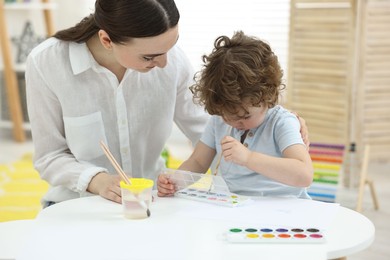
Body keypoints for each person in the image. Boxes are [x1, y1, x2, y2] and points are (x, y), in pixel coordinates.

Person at [26, 0, 309, 207]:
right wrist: (97, 181)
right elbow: (49, 157)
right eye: (149, 57)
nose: (163, 63)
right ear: (107, 40)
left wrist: (275, 123)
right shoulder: (47, 64)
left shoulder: (171, 62)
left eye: (170, 48)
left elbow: (212, 129)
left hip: (150, 201)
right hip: (75, 203)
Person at [157, 31, 313, 199]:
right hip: (237, 209)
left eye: (245, 117)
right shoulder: (218, 122)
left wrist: (248, 158)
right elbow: (198, 162)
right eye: (227, 116)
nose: (234, 123)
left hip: (284, 210)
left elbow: (304, 174)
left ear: (267, 98)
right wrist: (174, 182)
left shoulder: (282, 123)